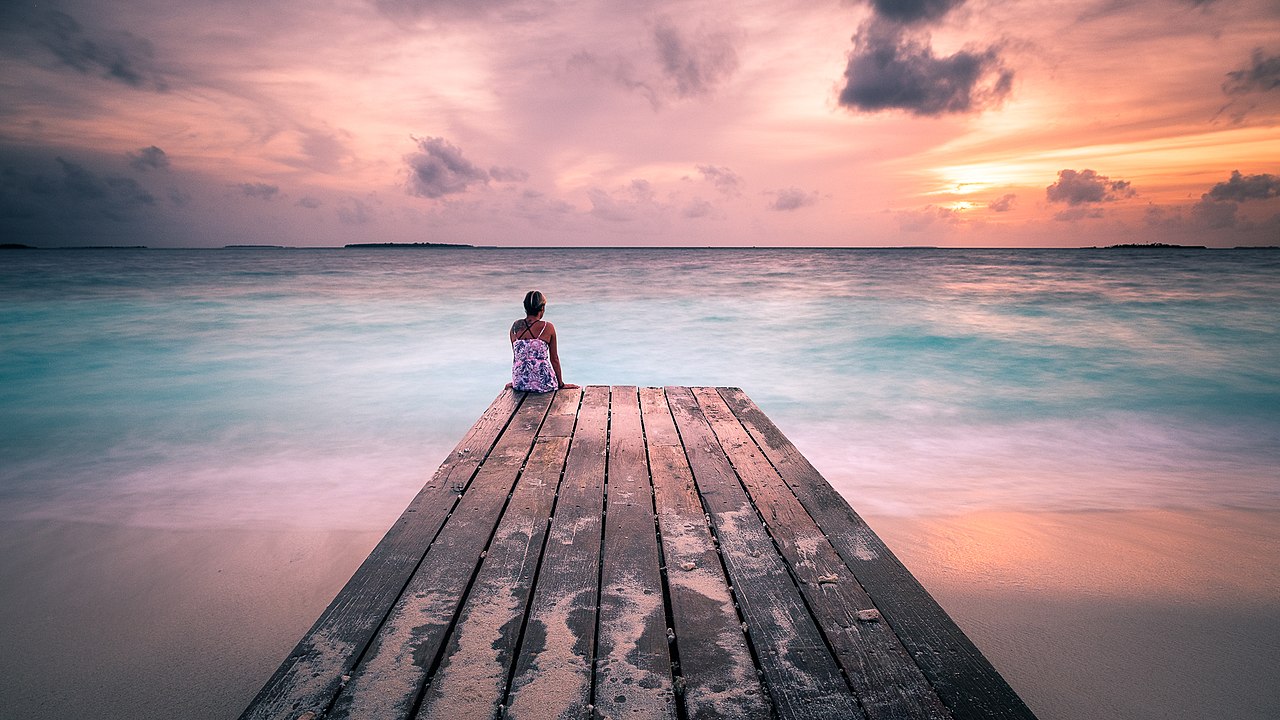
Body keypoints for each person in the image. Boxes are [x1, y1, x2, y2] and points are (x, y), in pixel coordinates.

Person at [509, 290, 578, 392]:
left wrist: (516, 380)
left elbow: (517, 358)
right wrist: (561, 384)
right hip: (543, 384)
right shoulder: (547, 327)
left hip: (520, 384)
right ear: (542, 308)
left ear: (525, 307)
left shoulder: (515, 326)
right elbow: (554, 359)